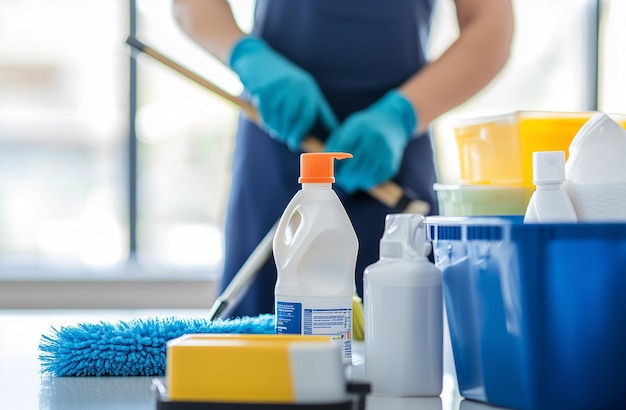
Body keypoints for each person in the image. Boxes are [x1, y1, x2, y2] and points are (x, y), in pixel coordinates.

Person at [173, 0, 514, 317]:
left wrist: (403, 114)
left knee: (406, 343)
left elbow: (490, 24)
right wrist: (247, 56)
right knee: (251, 357)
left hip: (393, 165)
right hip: (276, 152)